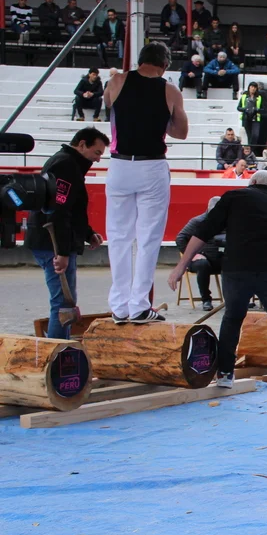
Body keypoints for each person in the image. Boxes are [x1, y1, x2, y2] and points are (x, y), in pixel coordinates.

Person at [168, 172, 267, 408]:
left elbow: (203, 231)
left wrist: (181, 266)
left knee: (232, 319)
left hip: (236, 270)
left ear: (252, 183)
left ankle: (224, 374)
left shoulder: (233, 197)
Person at [104, 43, 188, 325]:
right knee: (148, 238)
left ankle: (119, 307)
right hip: (151, 165)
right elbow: (181, 132)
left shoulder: (117, 81)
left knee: (118, 237)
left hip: (119, 165)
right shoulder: (170, 90)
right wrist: (160, 118)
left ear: (140, 61)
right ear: (164, 65)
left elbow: (109, 105)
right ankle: (139, 306)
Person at [25, 128, 108, 338]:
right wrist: (61, 251)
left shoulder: (66, 163)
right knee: (63, 304)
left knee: (64, 303)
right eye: (97, 153)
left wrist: (87, 233)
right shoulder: (66, 166)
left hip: (51, 240)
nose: (98, 159)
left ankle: (60, 347)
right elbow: (58, 211)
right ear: (82, 145)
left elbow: (71, 209)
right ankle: (59, 350)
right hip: (52, 243)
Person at [175, 197, 225, 311]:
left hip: (221, 256)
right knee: (202, 265)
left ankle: (233, 299)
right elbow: (180, 238)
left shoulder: (227, 221)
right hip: (200, 259)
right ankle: (206, 299)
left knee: (233, 263)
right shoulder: (198, 221)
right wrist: (193, 255)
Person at [237, 83, 264, 148]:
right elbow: (238, 107)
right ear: (249, 87)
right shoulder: (244, 96)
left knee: (255, 135)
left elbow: (263, 109)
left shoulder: (259, 97)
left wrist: (257, 109)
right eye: (252, 87)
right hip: (246, 117)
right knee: (249, 135)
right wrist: (245, 109)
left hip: (255, 118)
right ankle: (249, 149)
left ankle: (251, 148)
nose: (253, 88)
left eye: (255, 87)